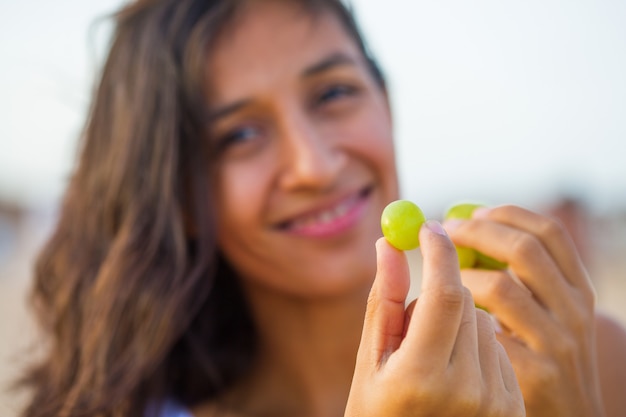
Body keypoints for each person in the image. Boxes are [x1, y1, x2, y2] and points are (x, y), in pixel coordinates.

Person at [16, 0, 626, 416]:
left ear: (385, 104)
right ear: (180, 198)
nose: (316, 164)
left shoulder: (574, 356)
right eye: (239, 136)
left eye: (334, 93)